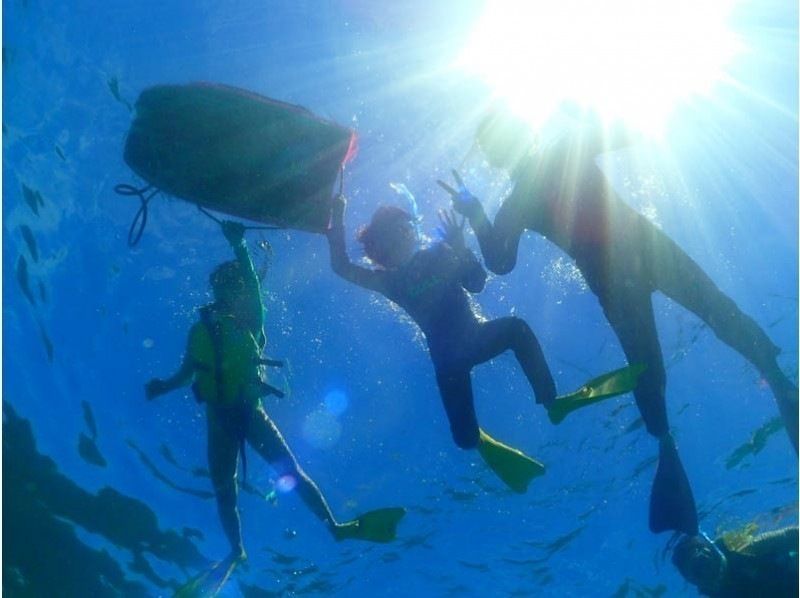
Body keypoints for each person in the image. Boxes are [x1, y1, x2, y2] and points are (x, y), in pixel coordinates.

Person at [438, 105, 799, 535]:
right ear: (496, 156)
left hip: (634, 262)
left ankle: (773, 380)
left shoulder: (561, 153)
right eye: (494, 146)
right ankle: (679, 437)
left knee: (709, 316)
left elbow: (633, 130)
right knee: (655, 361)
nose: (503, 149)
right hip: (624, 271)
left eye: (503, 138)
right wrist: (476, 216)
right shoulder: (528, 189)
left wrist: (590, 113)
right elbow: (499, 262)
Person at [326, 195, 640, 493]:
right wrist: (336, 217)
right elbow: (342, 267)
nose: (405, 236)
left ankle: (552, 403)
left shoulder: (438, 254)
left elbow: (477, 284)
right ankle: (480, 440)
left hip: (475, 339)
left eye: (406, 228)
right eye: (395, 235)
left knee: (517, 329)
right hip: (447, 361)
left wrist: (461, 248)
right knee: (463, 440)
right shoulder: (390, 282)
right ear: (381, 251)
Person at [146, 220, 405, 561]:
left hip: (250, 412)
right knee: (224, 490)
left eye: (230, 285)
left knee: (290, 474)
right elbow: (187, 372)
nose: (224, 291)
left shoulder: (249, 320)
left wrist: (238, 245)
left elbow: (254, 287)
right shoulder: (200, 330)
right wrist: (163, 386)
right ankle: (237, 550)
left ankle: (335, 528)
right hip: (218, 419)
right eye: (220, 286)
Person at [672, 525, 799, 597]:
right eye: (698, 570)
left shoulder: (741, 548)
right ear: (694, 582)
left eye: (703, 561)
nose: (708, 571)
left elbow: (790, 535)